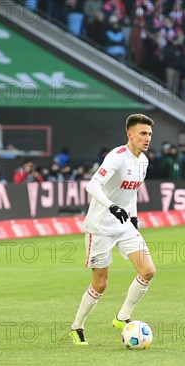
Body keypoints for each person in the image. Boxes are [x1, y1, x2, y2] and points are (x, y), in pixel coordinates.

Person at [69, 114, 156, 345]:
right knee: (101, 283)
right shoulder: (116, 158)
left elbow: (132, 192)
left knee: (147, 271)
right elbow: (92, 185)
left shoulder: (143, 161)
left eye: (149, 134)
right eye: (142, 134)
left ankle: (123, 317)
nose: (147, 138)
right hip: (99, 227)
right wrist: (112, 206)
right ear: (130, 134)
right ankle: (77, 326)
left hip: (123, 224)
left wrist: (134, 217)